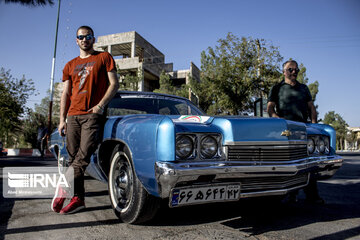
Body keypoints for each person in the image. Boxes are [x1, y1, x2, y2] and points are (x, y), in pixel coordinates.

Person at [51, 26, 119, 214]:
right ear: (76, 40)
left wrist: (100, 106)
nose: (84, 39)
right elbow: (65, 93)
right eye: (81, 37)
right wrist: (62, 119)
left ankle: (64, 187)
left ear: (93, 39)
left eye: (88, 36)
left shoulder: (104, 57)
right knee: (74, 158)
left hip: (92, 114)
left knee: (83, 156)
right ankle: (78, 199)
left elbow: (114, 84)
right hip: (73, 116)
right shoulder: (70, 65)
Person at [267, 59, 324, 204]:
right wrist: (278, 120)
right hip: (284, 131)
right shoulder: (276, 88)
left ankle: (313, 195)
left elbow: (311, 107)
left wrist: (314, 125)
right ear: (284, 71)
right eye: (290, 70)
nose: (294, 72)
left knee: (308, 162)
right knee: (288, 162)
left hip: (303, 129)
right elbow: (270, 108)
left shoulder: (304, 88)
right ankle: (290, 194)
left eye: (296, 70)